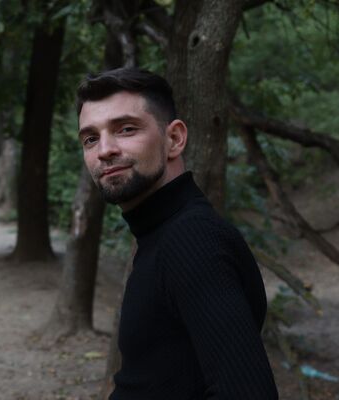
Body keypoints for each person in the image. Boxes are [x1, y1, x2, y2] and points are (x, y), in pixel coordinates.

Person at [76, 68, 278, 399]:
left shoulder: (192, 239)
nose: (104, 150)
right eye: (90, 138)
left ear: (174, 139)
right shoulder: (163, 233)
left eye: (126, 129)